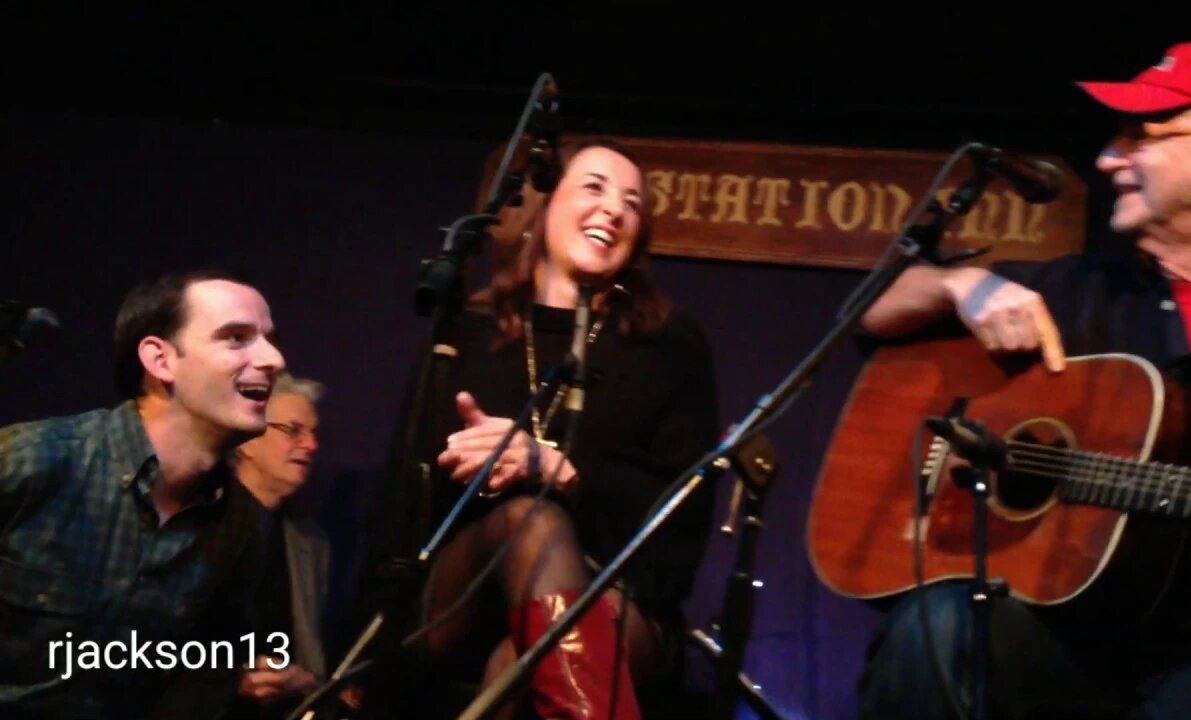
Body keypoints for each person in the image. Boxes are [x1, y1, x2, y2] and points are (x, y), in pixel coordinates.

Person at [856, 42, 1191, 719]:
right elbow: (869, 312)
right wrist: (961, 284)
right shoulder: (1077, 290)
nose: (1107, 158)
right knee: (939, 624)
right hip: (1056, 640)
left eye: (1139, 135)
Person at [361, 139, 720, 719]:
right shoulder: (468, 334)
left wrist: (562, 471)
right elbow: (405, 499)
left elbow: (680, 524)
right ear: (545, 210)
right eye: (594, 188)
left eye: (632, 203)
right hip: (459, 597)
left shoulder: (670, 347)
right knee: (528, 519)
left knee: (520, 663)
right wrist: (363, 654)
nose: (613, 209)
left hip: (620, 598)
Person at [0, 271, 285, 719]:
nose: (274, 359)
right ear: (160, 359)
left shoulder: (243, 527)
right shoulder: (30, 462)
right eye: (236, 338)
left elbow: (200, 681)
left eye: (269, 339)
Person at [231, 371, 334, 719]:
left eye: (313, 433)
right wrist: (231, 679)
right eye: (293, 430)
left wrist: (304, 682)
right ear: (246, 439)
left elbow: (314, 660)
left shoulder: (311, 543)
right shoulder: (196, 524)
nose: (311, 445)